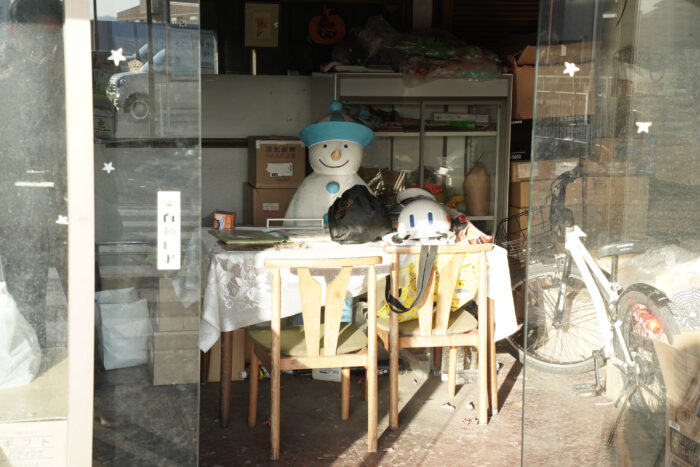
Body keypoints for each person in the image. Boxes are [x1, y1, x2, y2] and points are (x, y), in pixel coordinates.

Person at [0, 0, 67, 346]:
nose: (44, 46)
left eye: (52, 37)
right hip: (20, 211)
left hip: (69, 203)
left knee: (85, 297)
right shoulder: (8, 79)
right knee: (27, 305)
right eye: (37, 36)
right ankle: (35, 360)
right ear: (16, 31)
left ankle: (92, 367)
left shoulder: (73, 73)